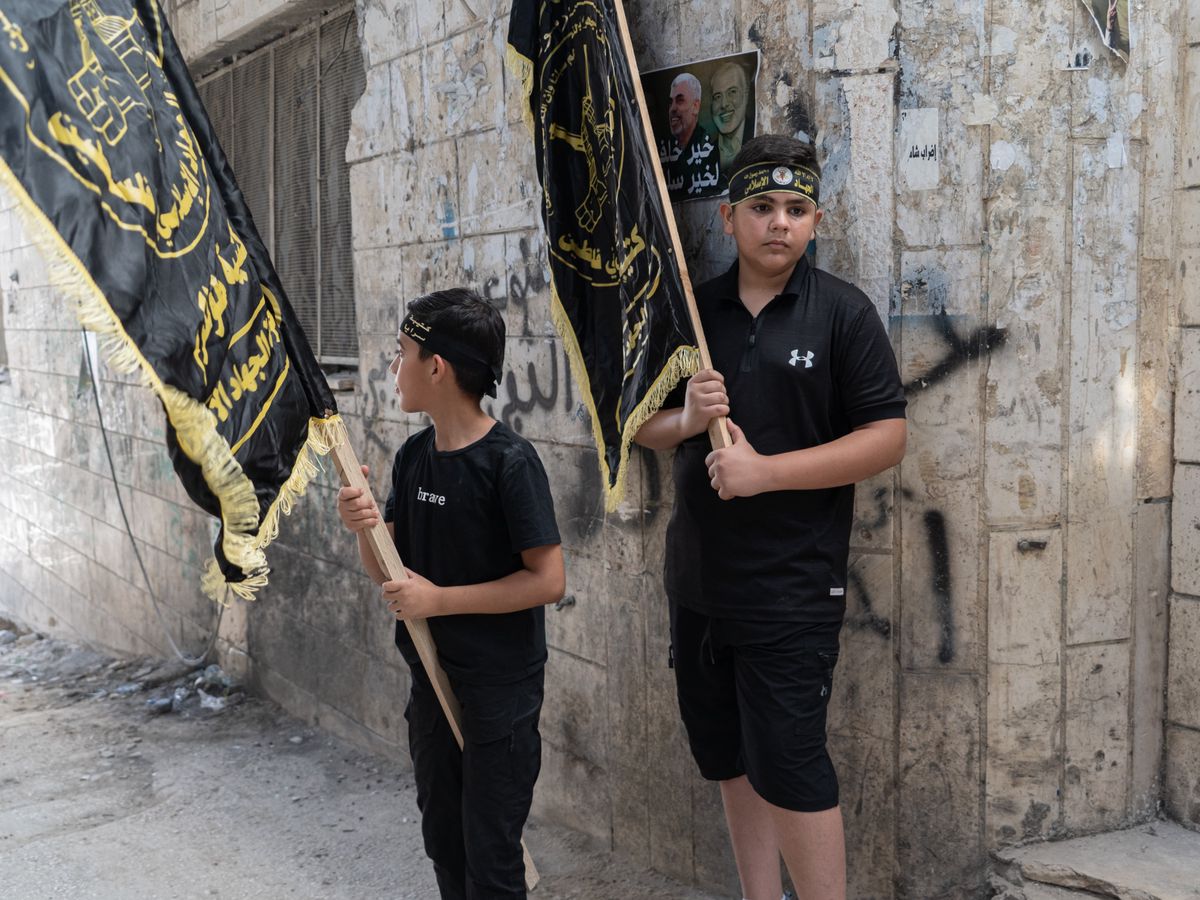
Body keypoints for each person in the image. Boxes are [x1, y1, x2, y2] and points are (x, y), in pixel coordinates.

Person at [635, 134, 907, 900]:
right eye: (760, 207)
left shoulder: (841, 315)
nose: (777, 223)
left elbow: (887, 437)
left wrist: (765, 475)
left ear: (816, 221)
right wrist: (686, 417)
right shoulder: (693, 314)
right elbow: (642, 428)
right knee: (728, 756)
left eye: (794, 209)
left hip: (791, 589)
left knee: (789, 763)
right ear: (728, 217)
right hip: (698, 584)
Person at [336, 288, 565, 900]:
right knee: (444, 840)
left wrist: (440, 602)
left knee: (491, 858)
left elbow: (548, 580)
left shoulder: (510, 464)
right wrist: (367, 529)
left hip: (499, 693)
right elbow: (391, 574)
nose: (393, 367)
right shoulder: (413, 457)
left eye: (402, 352)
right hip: (431, 680)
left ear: (436, 367)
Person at [658, 71, 720, 199]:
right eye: (671, 102)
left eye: (680, 101)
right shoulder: (663, 151)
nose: (672, 109)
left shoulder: (709, 150)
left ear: (695, 107)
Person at [709, 61, 750, 172]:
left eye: (732, 92)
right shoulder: (705, 154)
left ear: (745, 96)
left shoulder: (760, 138)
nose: (723, 104)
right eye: (717, 96)